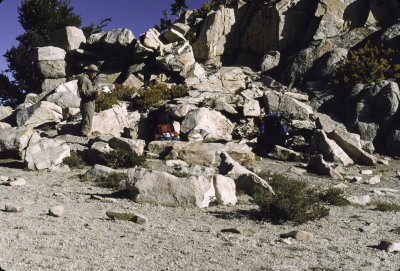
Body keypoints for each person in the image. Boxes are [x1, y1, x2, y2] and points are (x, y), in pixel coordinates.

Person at [77, 64, 101, 136]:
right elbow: (82, 92)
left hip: (90, 103)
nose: (95, 75)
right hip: (86, 103)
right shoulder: (83, 79)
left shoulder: (87, 79)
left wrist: (96, 91)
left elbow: (88, 91)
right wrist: (94, 92)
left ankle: (81, 135)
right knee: (87, 123)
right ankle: (82, 138)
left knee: (87, 121)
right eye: (94, 73)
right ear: (90, 71)